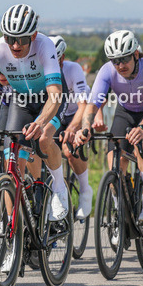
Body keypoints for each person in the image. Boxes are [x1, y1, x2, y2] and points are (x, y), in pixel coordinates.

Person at [0, 4, 69, 234]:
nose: (16, 45)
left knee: (42, 139)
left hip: (51, 98)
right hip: (22, 99)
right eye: (10, 38)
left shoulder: (45, 45)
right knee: (11, 154)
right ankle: (14, 229)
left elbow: (55, 96)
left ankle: (59, 187)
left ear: (33, 35)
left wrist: (41, 123)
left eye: (21, 39)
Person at [74, 30, 143, 222]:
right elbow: (92, 105)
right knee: (114, 163)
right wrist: (85, 128)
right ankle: (120, 207)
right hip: (125, 112)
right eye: (115, 61)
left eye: (124, 59)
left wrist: (142, 129)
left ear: (135, 54)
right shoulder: (107, 70)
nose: (120, 65)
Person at [50, 35, 93, 218]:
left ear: (63, 57)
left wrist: (72, 128)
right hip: (56, 114)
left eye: (57, 59)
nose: (54, 63)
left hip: (76, 113)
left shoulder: (73, 69)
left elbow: (83, 106)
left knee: (69, 150)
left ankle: (85, 190)